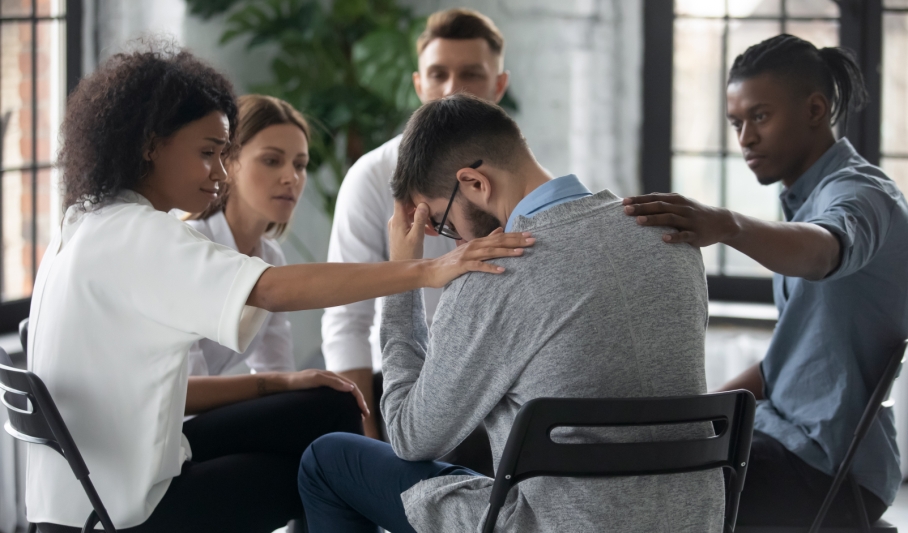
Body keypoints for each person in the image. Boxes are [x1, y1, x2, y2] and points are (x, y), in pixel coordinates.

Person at [27, 47, 532, 533]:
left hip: (93, 487)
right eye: (207, 153)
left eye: (223, 154)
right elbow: (269, 290)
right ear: (150, 144)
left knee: (326, 406)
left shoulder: (88, 223)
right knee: (333, 468)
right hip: (126, 507)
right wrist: (425, 269)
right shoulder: (139, 233)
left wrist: (281, 383)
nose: (220, 172)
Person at [298, 93, 725, 533]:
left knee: (327, 460)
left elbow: (409, 437)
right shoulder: (669, 235)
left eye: (443, 223)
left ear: (474, 183)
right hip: (696, 521)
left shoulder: (493, 273)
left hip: (556, 526)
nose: (455, 241)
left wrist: (402, 275)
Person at [624, 34, 908, 526]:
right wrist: (679, 416)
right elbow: (785, 368)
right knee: (633, 459)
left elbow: (825, 250)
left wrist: (728, 225)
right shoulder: (806, 200)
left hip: (830, 468)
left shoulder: (861, 194)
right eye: (737, 123)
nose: (745, 139)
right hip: (781, 437)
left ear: (815, 110)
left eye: (760, 116)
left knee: (644, 494)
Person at [322, 8, 510, 450]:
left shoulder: (520, 177)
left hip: (499, 389)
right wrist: (370, 439)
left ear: (499, 86)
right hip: (400, 386)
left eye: (471, 74)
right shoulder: (372, 176)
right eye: (438, 74)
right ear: (419, 84)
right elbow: (347, 318)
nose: (452, 89)